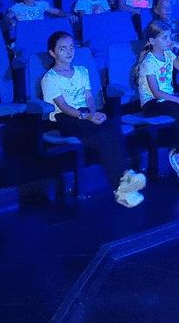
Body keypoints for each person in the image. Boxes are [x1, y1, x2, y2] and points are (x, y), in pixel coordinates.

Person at [41, 32, 147, 207]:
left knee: (113, 128)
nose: (69, 52)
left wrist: (93, 113)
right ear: (52, 53)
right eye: (62, 49)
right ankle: (121, 183)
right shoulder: (49, 78)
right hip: (65, 117)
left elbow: (89, 97)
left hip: (85, 113)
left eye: (71, 47)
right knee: (101, 135)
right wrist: (88, 116)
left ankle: (125, 182)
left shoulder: (81, 71)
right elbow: (64, 107)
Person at [133, 20, 179, 188]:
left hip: (168, 99)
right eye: (164, 38)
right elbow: (156, 92)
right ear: (152, 41)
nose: (169, 41)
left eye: (170, 37)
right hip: (151, 103)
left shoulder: (168, 55)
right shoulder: (149, 62)